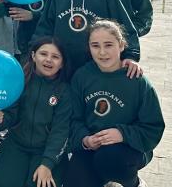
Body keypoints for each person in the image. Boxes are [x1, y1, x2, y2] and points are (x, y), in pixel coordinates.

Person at [65, 20, 164, 187]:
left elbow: (153, 126)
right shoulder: (82, 76)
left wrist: (122, 134)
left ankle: (133, 183)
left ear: (121, 45)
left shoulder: (136, 81)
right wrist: (85, 139)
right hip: (91, 146)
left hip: (126, 150)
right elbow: (73, 118)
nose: (102, 52)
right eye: (95, 46)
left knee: (110, 159)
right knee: (74, 181)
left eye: (109, 45)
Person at [0, 37, 72, 187]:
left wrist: (47, 163)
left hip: (45, 150)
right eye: (43, 54)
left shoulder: (65, 91)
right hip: (17, 144)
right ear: (34, 56)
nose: (48, 60)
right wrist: (2, 119)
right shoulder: (20, 80)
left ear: (62, 63)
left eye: (55, 57)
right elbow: (11, 114)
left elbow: (61, 131)